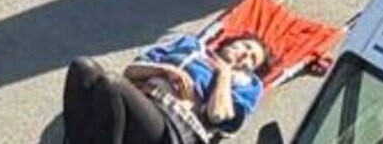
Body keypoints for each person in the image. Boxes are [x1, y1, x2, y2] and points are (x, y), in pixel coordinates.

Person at [63, 34, 270, 143]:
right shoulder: (191, 45)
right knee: (83, 67)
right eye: (246, 46)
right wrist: (163, 70)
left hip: (173, 130)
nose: (246, 55)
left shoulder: (244, 85)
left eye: (253, 59)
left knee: (111, 84)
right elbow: (130, 72)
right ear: (230, 42)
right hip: (140, 103)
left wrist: (224, 73)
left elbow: (218, 116)